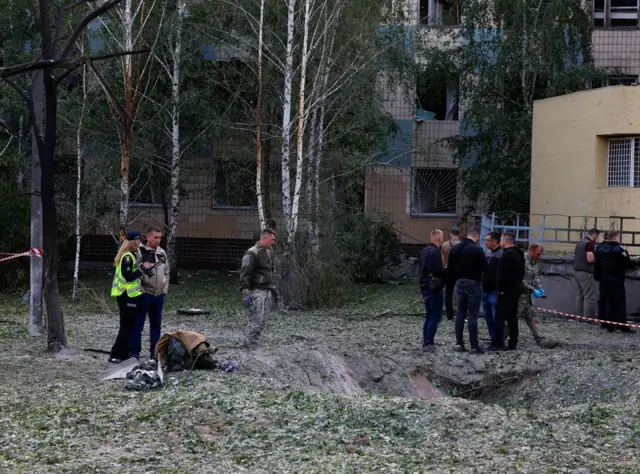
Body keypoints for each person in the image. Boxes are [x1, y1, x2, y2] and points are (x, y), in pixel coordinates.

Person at [109, 229, 153, 363]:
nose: (140, 242)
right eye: (139, 240)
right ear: (134, 241)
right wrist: (141, 270)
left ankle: (122, 352)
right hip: (126, 295)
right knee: (127, 326)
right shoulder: (127, 257)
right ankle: (118, 353)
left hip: (130, 295)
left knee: (127, 325)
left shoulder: (130, 255)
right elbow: (128, 276)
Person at [129, 226, 170, 360]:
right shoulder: (140, 251)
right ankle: (134, 353)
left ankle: (155, 351)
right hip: (145, 293)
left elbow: (166, 272)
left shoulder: (162, 252)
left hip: (158, 295)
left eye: (160, 238)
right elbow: (135, 272)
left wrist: (164, 290)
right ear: (148, 237)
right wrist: (140, 290)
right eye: (155, 237)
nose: (158, 240)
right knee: (138, 325)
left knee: (156, 325)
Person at [448, 227, 488, 354]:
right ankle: (474, 345)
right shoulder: (477, 250)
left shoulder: (455, 248)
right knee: (472, 315)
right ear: (476, 237)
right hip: (473, 283)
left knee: (460, 313)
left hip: (460, 282)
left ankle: (459, 343)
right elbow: (485, 268)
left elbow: (450, 268)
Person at [240, 228, 277, 346]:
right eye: (272, 239)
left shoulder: (267, 252)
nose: (273, 242)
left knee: (263, 321)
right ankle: (247, 343)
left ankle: (254, 342)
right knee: (257, 319)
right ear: (264, 238)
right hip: (257, 291)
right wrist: (246, 292)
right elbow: (245, 273)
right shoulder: (252, 253)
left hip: (267, 290)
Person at [489, 233, 525, 351]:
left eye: (501, 240)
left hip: (507, 290)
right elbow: (521, 273)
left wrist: (501, 289)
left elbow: (504, 274)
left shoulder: (507, 254)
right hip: (516, 289)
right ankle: (513, 342)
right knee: (512, 317)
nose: (500, 242)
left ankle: (497, 342)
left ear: (505, 241)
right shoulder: (519, 254)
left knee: (500, 317)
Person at [594, 231, 635, 333]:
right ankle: (621, 325)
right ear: (616, 237)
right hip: (617, 280)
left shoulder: (599, 249)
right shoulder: (619, 250)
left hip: (603, 279)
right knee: (619, 303)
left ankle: (606, 324)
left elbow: (596, 265)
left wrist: (598, 277)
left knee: (604, 301)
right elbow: (628, 263)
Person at [520, 244, 559, 349]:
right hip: (519, 297)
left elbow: (536, 277)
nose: (539, 257)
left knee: (534, 318)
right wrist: (533, 290)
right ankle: (498, 340)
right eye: (538, 254)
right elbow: (519, 279)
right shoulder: (522, 261)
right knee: (510, 322)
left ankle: (542, 341)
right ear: (531, 251)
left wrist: (539, 288)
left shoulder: (535, 262)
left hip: (528, 299)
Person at [418, 229, 446, 353]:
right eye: (442, 237)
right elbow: (437, 271)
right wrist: (447, 272)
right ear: (439, 238)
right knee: (435, 316)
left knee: (429, 315)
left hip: (424, 286)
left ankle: (426, 341)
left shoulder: (424, 250)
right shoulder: (434, 251)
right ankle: (429, 343)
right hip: (433, 287)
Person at [482, 231, 503, 344]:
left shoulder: (501, 255)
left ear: (495, 241)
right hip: (485, 289)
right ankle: (493, 338)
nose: (485, 242)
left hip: (494, 290)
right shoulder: (487, 253)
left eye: (488, 240)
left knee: (496, 317)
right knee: (488, 317)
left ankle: (499, 339)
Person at [574, 228, 599, 318]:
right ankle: (587, 317)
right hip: (586, 272)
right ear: (594, 235)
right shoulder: (589, 244)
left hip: (576, 271)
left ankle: (579, 317)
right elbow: (590, 259)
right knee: (589, 296)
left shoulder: (580, 242)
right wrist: (596, 258)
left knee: (580, 295)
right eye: (597, 237)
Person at [441, 227, 461, 321]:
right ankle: (461, 313)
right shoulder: (462, 245)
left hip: (448, 270)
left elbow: (442, 259)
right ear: (459, 234)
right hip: (460, 271)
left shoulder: (445, 245)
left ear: (451, 234)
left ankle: (450, 315)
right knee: (461, 293)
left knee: (448, 293)